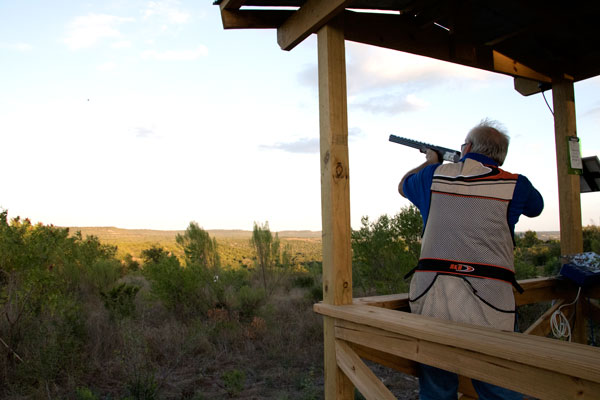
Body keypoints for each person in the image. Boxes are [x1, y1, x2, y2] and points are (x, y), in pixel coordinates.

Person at [399, 119, 544, 400]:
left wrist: (430, 162)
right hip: (492, 302)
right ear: (501, 156)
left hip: (434, 298)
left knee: (437, 389)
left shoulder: (434, 175)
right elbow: (536, 208)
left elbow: (404, 186)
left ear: (466, 147)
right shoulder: (515, 183)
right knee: (499, 386)